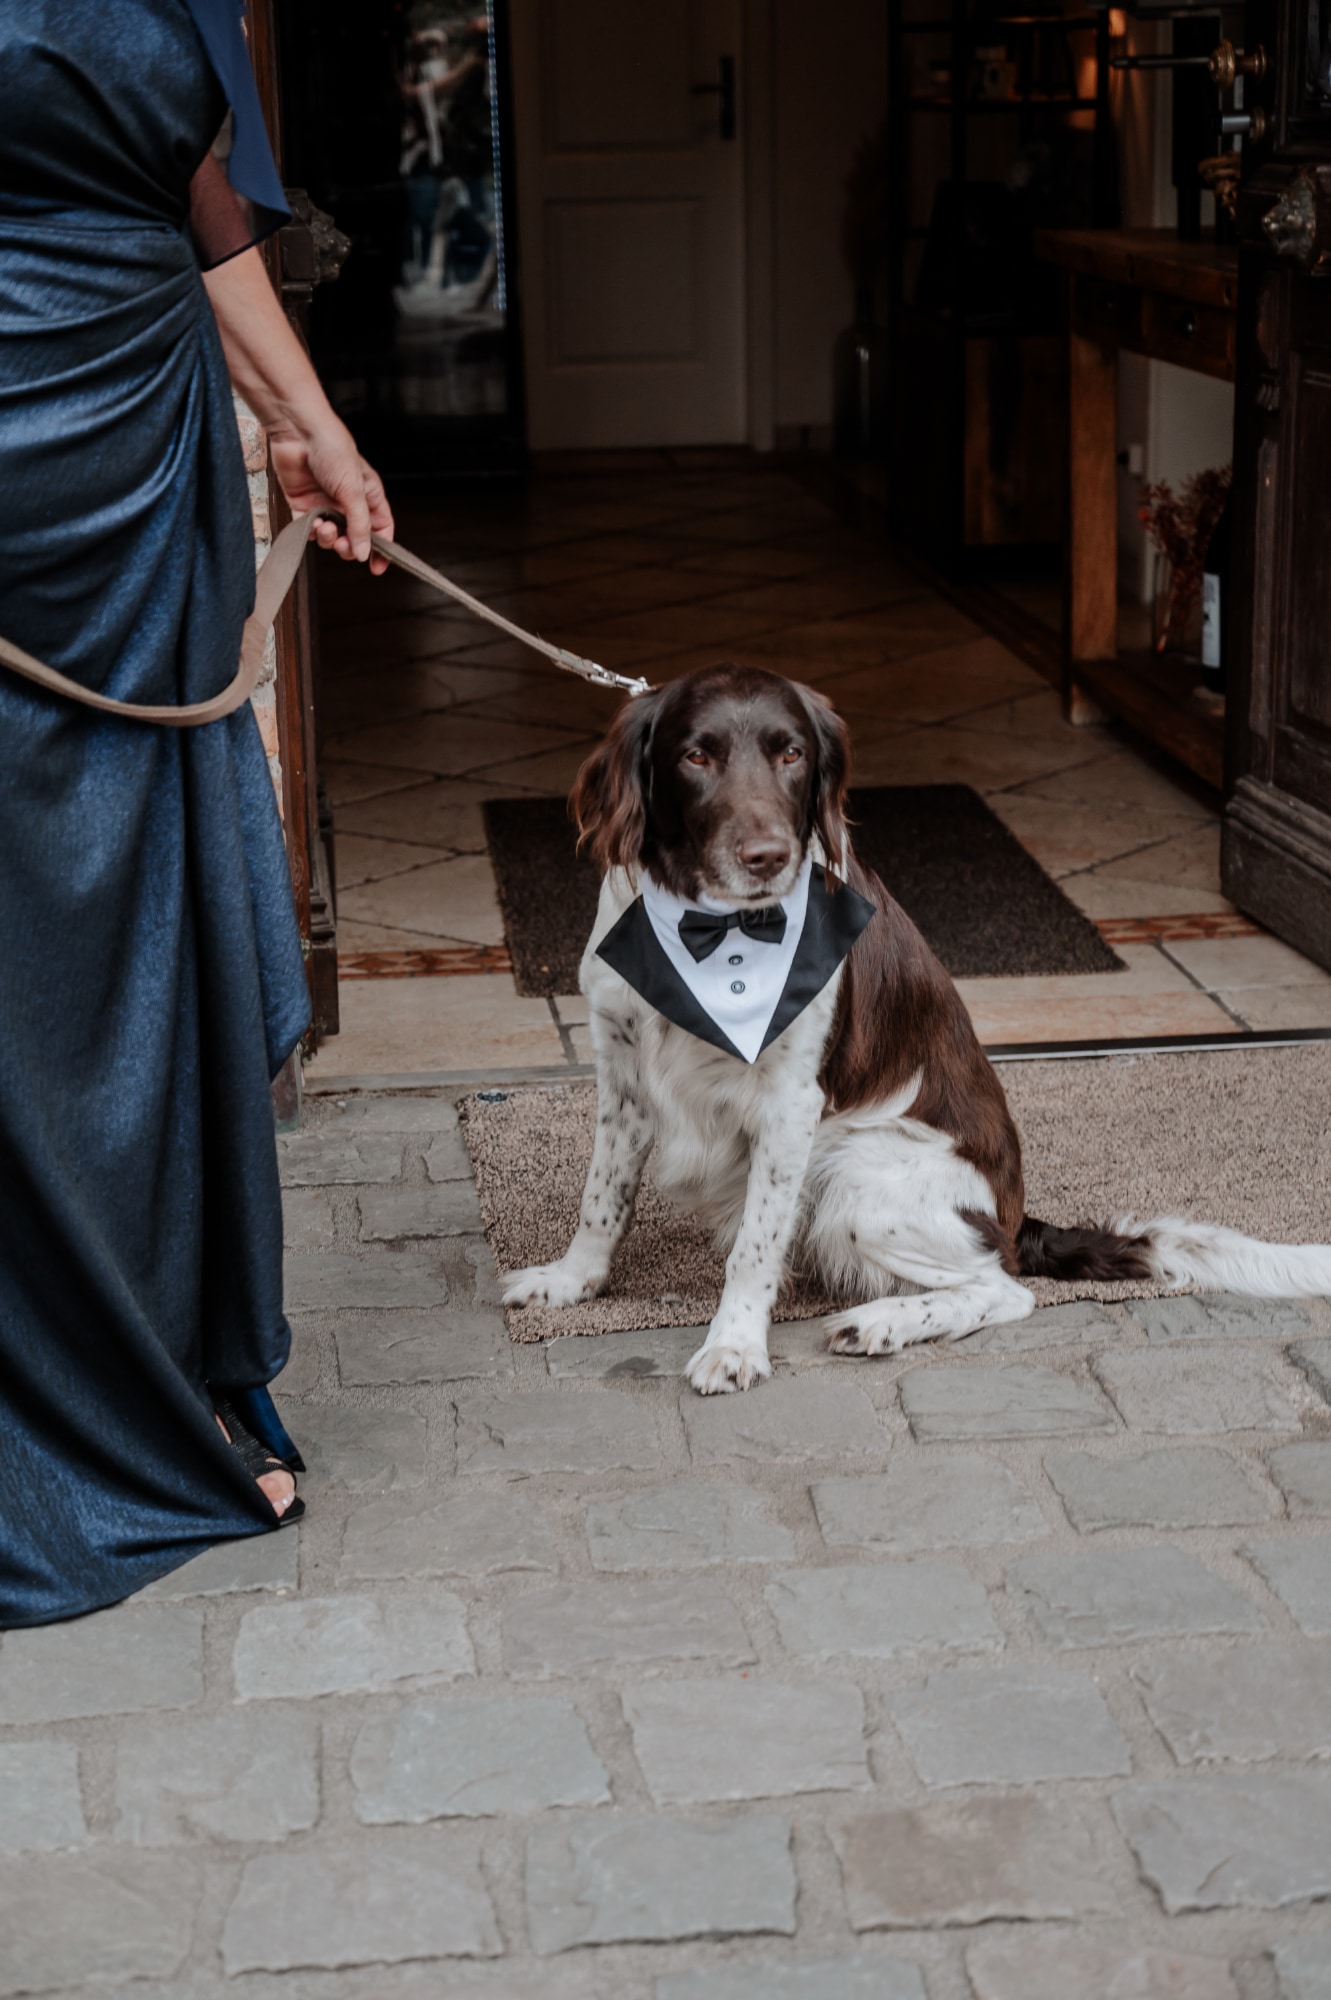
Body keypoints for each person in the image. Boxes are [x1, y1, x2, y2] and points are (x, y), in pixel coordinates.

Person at [0, 0, 392, 1626]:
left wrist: (312, 422)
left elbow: (202, 201)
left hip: (139, 460)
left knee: (144, 914)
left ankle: (178, 1374)